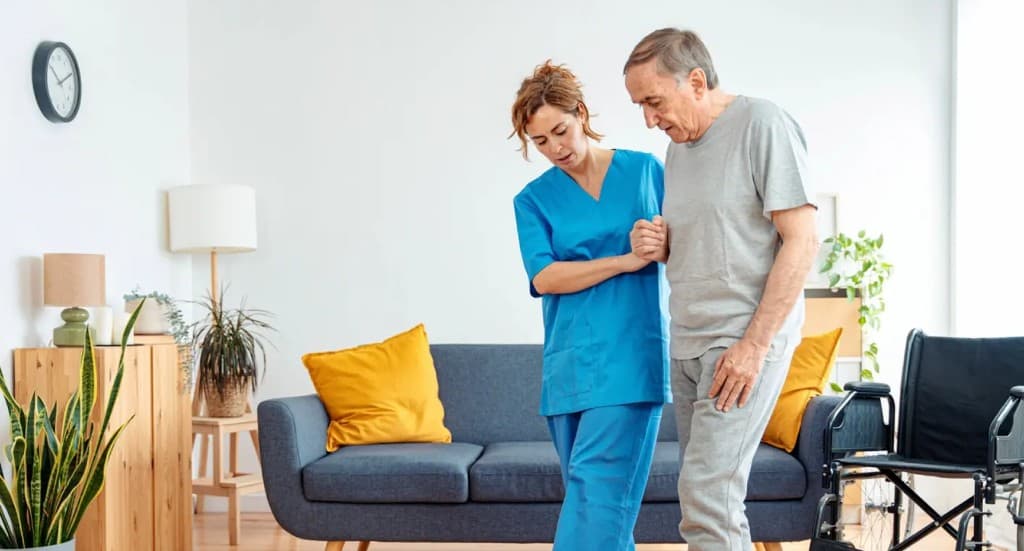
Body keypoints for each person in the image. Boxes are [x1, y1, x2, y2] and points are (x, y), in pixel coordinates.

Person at [624, 29, 819, 551]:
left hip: (738, 343)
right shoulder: (678, 149)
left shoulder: (762, 124)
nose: (648, 119)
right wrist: (660, 243)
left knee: (707, 497)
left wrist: (754, 347)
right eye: (640, 106)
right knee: (709, 499)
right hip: (688, 341)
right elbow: (717, 238)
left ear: (695, 81)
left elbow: (801, 241)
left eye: (653, 101)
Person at [510, 60, 671, 551]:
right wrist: (624, 261)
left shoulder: (645, 171)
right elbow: (545, 276)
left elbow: (681, 248)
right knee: (599, 504)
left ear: (580, 113)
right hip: (569, 367)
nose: (554, 148)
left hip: (631, 356)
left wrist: (661, 245)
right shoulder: (531, 200)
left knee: (596, 494)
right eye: (540, 142)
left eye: (559, 131)